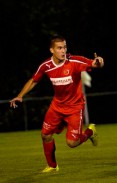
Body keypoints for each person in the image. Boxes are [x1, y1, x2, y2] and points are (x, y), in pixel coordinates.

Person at [9, 34, 104, 172]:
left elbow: (95, 64)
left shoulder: (74, 61)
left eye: (64, 47)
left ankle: (90, 132)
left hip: (74, 107)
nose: (63, 51)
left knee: (72, 143)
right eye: (59, 48)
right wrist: (20, 96)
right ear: (51, 50)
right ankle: (52, 166)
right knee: (45, 135)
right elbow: (34, 80)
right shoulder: (46, 66)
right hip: (57, 107)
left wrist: (99, 62)